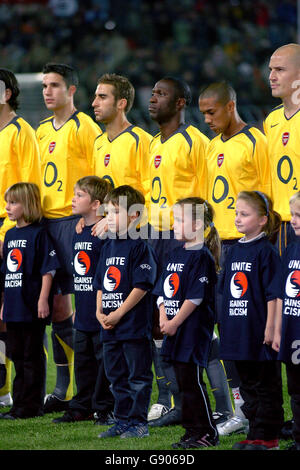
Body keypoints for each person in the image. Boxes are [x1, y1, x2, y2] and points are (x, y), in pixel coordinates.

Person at [148, 76, 233, 427]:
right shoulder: (153, 142)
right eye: (152, 93)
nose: (153, 99)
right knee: (159, 321)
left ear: (180, 102)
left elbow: (205, 199)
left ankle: (225, 407)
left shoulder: (196, 141)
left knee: (197, 322)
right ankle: (174, 402)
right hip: (154, 237)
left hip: (185, 239)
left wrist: (200, 240)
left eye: (161, 94)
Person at [199, 81, 271, 435]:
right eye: (203, 113)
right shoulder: (212, 147)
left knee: (252, 329)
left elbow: (267, 199)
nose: (207, 119)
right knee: (226, 329)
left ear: (230, 106)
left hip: (250, 248)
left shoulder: (256, 141)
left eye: (212, 112)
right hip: (220, 247)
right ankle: (241, 410)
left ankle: (263, 410)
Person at [36, 63, 101, 413]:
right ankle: (62, 389)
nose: (48, 91)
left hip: (74, 225)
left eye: (55, 85)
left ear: (72, 90)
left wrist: (92, 218)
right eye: (45, 85)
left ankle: (89, 387)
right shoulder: (42, 129)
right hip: (46, 224)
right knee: (57, 309)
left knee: (86, 308)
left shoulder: (85, 127)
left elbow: (98, 178)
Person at [219, 190, 284, 450]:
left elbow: (273, 294)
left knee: (265, 384)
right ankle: (254, 432)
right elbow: (226, 292)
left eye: (244, 214)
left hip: (258, 332)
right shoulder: (234, 250)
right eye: (236, 213)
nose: (237, 218)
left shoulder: (266, 252)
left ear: (262, 220)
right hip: (237, 332)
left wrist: (270, 327)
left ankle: (268, 437)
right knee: (246, 386)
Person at [154, 197, 220, 449]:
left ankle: (207, 432)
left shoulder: (201, 256)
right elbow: (162, 291)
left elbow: (195, 296)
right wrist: (163, 316)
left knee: (192, 381)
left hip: (191, 330)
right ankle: (191, 430)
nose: (175, 224)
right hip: (173, 328)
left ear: (197, 225)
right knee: (182, 382)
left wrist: (174, 322)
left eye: (180, 220)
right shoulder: (174, 253)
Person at [95, 185, 157, 439]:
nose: (109, 217)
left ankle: (138, 422)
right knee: (116, 376)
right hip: (109, 326)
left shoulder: (139, 247)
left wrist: (119, 313)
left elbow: (142, 286)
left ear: (134, 216)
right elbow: (100, 283)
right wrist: (100, 312)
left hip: (131, 325)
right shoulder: (107, 247)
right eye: (107, 212)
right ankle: (121, 420)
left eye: (115, 212)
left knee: (137, 377)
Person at [52, 176, 114, 425]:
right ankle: (81, 406)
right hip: (83, 311)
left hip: (102, 312)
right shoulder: (79, 230)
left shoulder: (106, 233)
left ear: (96, 204)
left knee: (104, 363)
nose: (72, 199)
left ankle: (104, 408)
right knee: (84, 362)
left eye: (79, 196)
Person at [0, 183, 59, 419]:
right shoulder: (11, 234)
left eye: (13, 203)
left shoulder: (39, 233)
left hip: (32, 306)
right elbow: (8, 273)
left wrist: (43, 299)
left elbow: (48, 270)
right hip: (13, 308)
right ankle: (19, 404)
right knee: (16, 355)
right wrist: (5, 303)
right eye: (7, 202)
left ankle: (32, 406)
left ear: (28, 205)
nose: (7, 207)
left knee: (31, 357)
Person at [0, 68, 41, 409]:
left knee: (21, 317)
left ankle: (34, 392)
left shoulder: (22, 132)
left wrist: (7, 233)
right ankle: (4, 392)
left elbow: (28, 189)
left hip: (11, 232)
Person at [265, 43, 300, 256]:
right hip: (281, 226)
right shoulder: (272, 120)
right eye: (270, 69)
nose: (271, 76)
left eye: (280, 69)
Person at [273, 191, 300, 451]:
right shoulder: (291, 249)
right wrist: (278, 330)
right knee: (295, 387)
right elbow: (282, 292)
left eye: (299, 215)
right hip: (292, 332)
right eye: (292, 214)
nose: (293, 220)